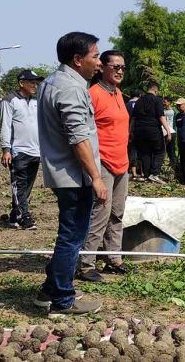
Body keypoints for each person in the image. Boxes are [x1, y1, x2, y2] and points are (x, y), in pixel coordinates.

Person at [33, 31, 106, 318]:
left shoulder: (53, 81)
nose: (98, 62)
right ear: (78, 60)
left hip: (64, 173)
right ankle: (63, 301)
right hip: (74, 176)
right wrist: (96, 178)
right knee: (72, 237)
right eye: (95, 56)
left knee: (70, 234)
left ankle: (48, 291)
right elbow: (78, 138)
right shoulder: (70, 88)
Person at [79, 50, 130, 282]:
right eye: (115, 66)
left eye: (123, 67)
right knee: (100, 214)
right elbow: (84, 133)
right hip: (103, 164)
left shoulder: (118, 94)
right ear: (102, 68)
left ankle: (113, 258)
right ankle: (86, 263)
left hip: (122, 163)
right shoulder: (93, 94)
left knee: (117, 214)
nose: (120, 71)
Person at [0, 69, 44, 230]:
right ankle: (24, 217)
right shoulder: (9, 100)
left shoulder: (36, 101)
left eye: (36, 82)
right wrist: (6, 149)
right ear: (21, 83)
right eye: (31, 82)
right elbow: (5, 126)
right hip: (18, 151)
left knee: (26, 187)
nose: (35, 85)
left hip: (35, 151)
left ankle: (14, 216)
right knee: (19, 185)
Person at [131, 82, 171, 184]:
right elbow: (161, 117)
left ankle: (148, 175)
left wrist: (130, 131)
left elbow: (133, 118)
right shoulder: (157, 100)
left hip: (139, 130)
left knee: (145, 153)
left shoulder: (139, 101)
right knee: (160, 151)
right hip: (153, 130)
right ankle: (154, 173)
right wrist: (168, 131)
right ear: (156, 90)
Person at [126, 89, 141, 180]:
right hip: (140, 129)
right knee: (139, 150)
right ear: (139, 95)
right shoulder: (141, 103)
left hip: (128, 129)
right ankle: (138, 171)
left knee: (131, 150)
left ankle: (131, 170)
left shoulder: (126, 105)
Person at [163, 96, 177, 168]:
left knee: (171, 148)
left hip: (172, 131)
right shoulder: (162, 110)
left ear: (169, 102)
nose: (164, 103)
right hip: (163, 131)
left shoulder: (174, 111)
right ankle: (162, 161)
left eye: (165, 102)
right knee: (163, 148)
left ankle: (173, 163)